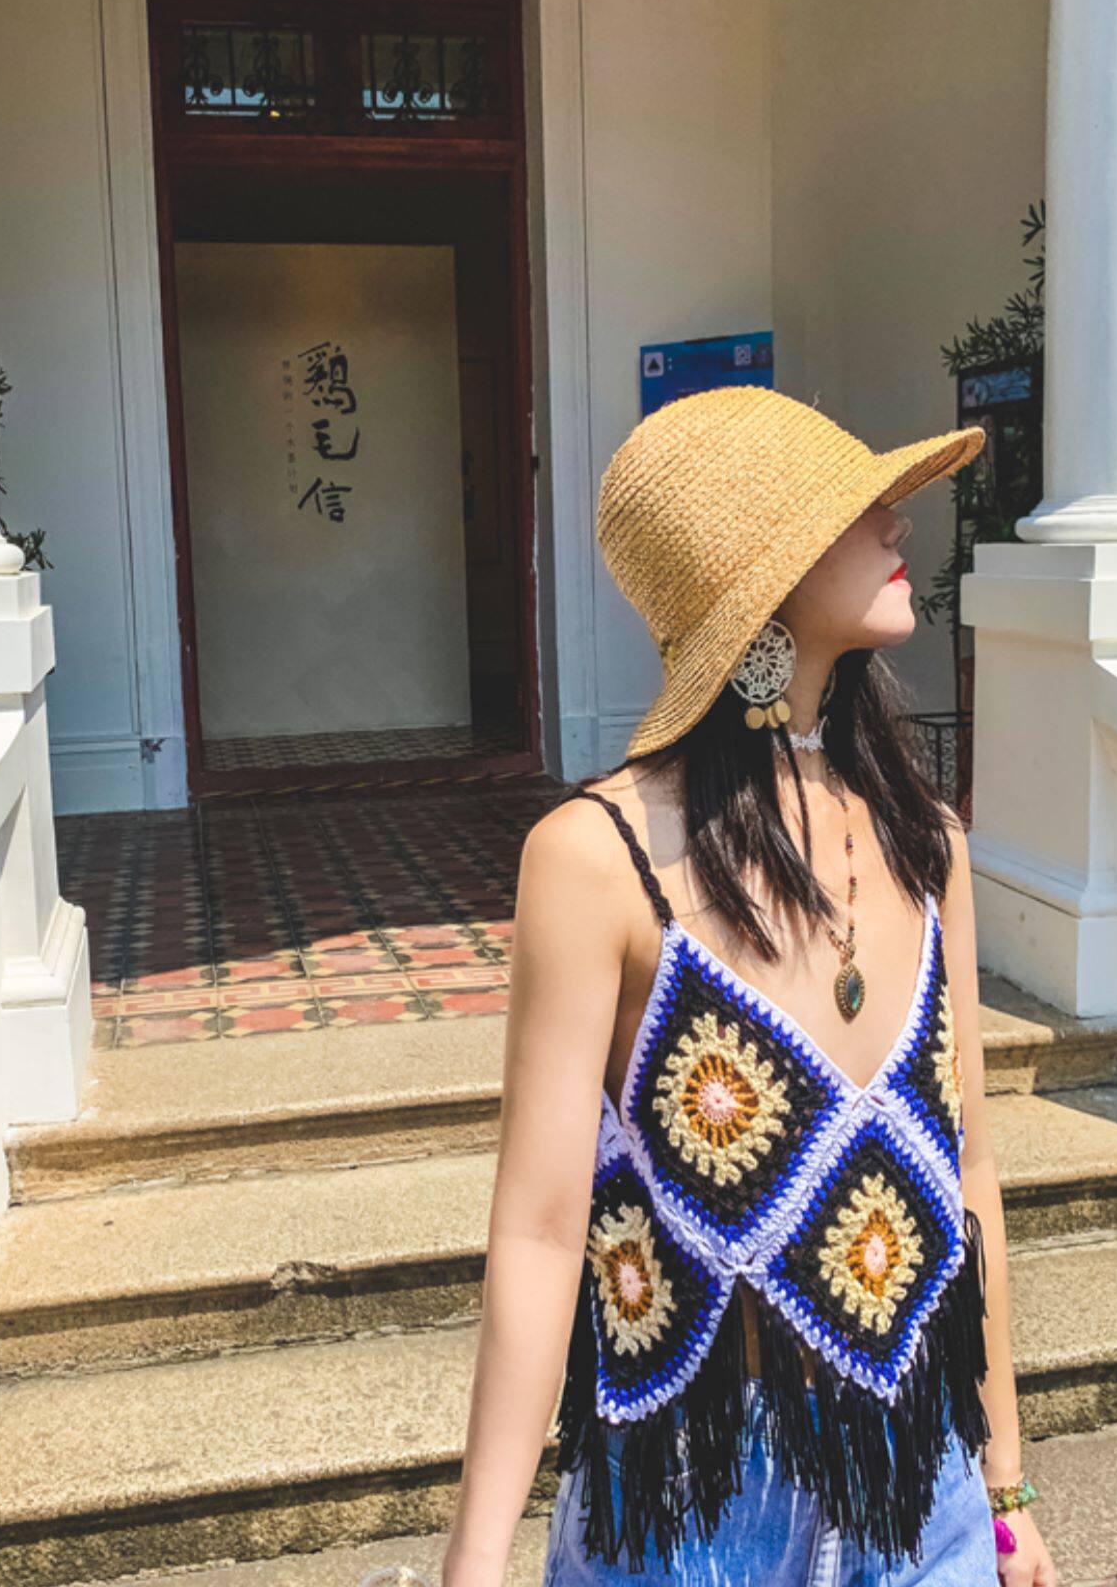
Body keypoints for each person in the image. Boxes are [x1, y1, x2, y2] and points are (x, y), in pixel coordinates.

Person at [442, 387, 1059, 1587]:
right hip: (687, 1507)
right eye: (853, 506)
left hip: (923, 1490)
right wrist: (476, 1558)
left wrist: (1006, 1486)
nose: (897, 522)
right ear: (756, 575)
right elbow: (540, 1228)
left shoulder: (925, 839)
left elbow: (967, 1173)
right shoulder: (596, 858)